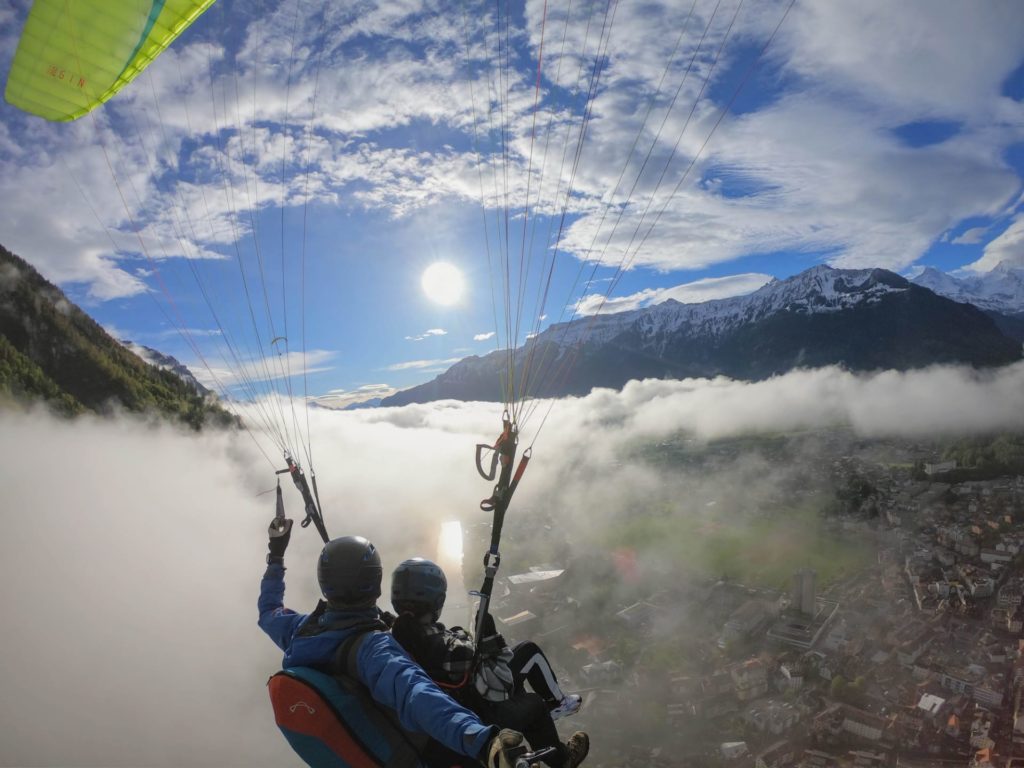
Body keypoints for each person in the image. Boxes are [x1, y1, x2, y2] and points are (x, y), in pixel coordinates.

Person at [258, 518, 524, 768]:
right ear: (376, 583)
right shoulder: (373, 650)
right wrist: (483, 741)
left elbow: (269, 611)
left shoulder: (301, 632)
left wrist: (276, 555)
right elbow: (418, 696)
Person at [389, 558, 589, 768]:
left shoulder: (396, 637)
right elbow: (497, 681)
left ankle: (555, 706)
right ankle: (562, 760)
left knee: (526, 650)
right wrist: (490, 639)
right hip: (478, 713)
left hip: (455, 706)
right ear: (438, 599)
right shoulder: (449, 650)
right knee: (534, 703)